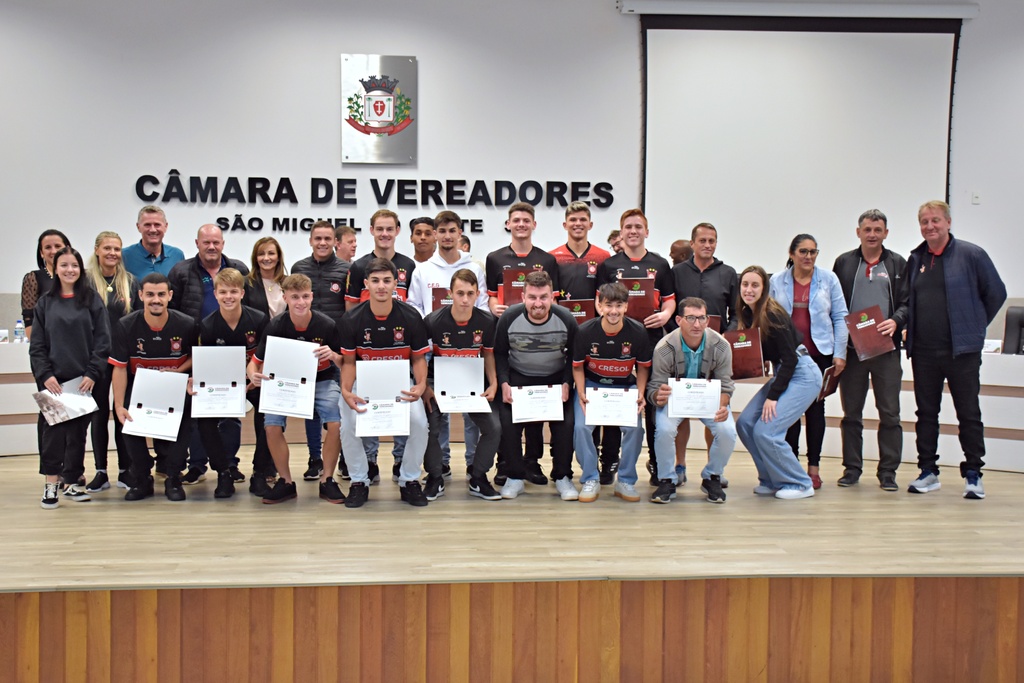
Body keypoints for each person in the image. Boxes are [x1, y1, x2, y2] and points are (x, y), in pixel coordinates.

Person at [905, 200, 1006, 499]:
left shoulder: (972, 254)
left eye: (935, 220)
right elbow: (910, 300)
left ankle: (973, 474)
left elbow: (996, 293)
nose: (930, 226)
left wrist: (974, 325)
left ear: (948, 222)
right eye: (924, 221)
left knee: (969, 413)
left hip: (961, 351)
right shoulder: (916, 258)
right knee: (926, 414)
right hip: (923, 351)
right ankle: (928, 472)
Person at [339, 258, 431, 508]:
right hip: (363, 382)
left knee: (420, 423)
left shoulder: (411, 316)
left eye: (387, 281)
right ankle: (359, 481)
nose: (381, 286)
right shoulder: (351, 319)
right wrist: (346, 392)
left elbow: (419, 357)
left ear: (396, 283)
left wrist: (421, 385)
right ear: (366, 284)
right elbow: (348, 363)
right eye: (376, 281)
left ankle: (409, 480)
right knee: (347, 424)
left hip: (401, 383)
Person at [247, 274, 345, 504]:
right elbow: (255, 362)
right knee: (270, 423)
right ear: (285, 297)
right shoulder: (276, 325)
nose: (300, 302)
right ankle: (286, 481)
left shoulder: (327, 325)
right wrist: (253, 375)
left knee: (336, 422)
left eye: (304, 296)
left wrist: (333, 355)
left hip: (321, 380)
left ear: (312, 296)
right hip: (286, 382)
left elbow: (345, 362)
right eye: (294, 297)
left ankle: (327, 479)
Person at [405, 211, 489, 479]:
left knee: (470, 412)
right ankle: (440, 465)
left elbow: (483, 305)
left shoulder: (474, 268)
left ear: (460, 233)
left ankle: (473, 464)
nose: (447, 236)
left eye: (452, 230)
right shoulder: (423, 269)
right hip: (434, 352)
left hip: (468, 351)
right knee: (436, 413)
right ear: (435, 234)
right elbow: (413, 307)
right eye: (441, 231)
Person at [832, 209, 909, 490]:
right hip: (853, 351)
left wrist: (896, 320)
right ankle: (852, 468)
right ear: (858, 232)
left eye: (878, 230)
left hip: (886, 351)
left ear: (886, 233)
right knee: (851, 413)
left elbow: (907, 302)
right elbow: (834, 301)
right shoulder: (843, 263)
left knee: (890, 413)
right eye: (867, 229)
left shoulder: (898, 263)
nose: (872, 234)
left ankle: (888, 472)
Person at [484, 202, 560, 486]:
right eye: (516, 220)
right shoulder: (494, 258)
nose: (521, 224)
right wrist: (495, 308)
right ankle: (505, 463)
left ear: (534, 225)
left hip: (539, 337)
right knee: (511, 407)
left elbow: (555, 298)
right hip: (507, 333)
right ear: (508, 224)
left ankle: (532, 462)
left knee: (536, 407)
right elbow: (491, 295)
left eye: (526, 220)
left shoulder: (548, 260)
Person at [597, 208, 676, 483]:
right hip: (615, 340)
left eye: (638, 226)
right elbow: (600, 302)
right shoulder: (609, 265)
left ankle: (655, 463)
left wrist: (666, 315)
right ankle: (608, 462)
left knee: (652, 403)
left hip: (651, 338)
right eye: (628, 227)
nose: (633, 231)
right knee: (612, 399)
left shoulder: (660, 264)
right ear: (621, 232)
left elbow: (669, 300)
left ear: (646, 231)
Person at [29, 247, 111, 508]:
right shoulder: (45, 303)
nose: (69, 270)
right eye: (64, 265)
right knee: (53, 436)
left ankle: (73, 482)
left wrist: (92, 373)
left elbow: (102, 341)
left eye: (74, 265)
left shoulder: (92, 300)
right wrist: (45, 376)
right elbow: (38, 345)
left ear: (80, 269)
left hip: (83, 381)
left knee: (77, 435)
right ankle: (50, 486)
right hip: (54, 382)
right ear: (55, 269)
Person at [168, 224, 250, 485]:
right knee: (199, 411)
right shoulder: (181, 271)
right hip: (199, 347)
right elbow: (174, 310)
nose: (211, 247)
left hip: (233, 352)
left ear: (223, 243)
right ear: (197, 243)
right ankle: (197, 465)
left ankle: (229, 464)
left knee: (230, 413)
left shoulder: (239, 269)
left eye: (216, 242)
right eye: (206, 242)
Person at [734, 266, 822, 500]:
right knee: (744, 423)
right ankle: (771, 479)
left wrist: (773, 397)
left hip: (803, 373)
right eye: (745, 284)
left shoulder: (772, 313)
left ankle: (800, 483)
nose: (749, 290)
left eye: (755, 285)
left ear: (764, 289)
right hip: (784, 372)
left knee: (766, 431)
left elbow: (791, 358)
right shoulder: (747, 314)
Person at [769, 234, 848, 489]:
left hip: (821, 354)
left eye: (813, 252)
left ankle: (813, 468)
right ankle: (791, 467)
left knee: (816, 411)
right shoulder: (777, 281)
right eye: (803, 251)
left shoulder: (829, 279)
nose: (809, 257)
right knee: (790, 412)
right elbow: (768, 318)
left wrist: (840, 353)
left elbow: (840, 317)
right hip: (788, 355)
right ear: (792, 254)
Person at [110, 273, 198, 502]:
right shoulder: (126, 325)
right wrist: (118, 405)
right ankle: (142, 478)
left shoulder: (186, 324)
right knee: (126, 418)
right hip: (139, 387)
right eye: (150, 294)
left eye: (161, 294)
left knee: (186, 417)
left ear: (170, 295)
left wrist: (178, 372)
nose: (155, 299)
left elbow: (195, 357)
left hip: (174, 386)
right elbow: (119, 368)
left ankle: (173, 477)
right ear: (140, 295)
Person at [494, 270, 578, 500]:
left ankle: (562, 476)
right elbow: (500, 353)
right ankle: (515, 477)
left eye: (543, 297)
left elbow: (574, 356)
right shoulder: (509, 318)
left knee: (567, 424)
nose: (538, 303)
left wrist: (566, 382)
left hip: (555, 378)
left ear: (552, 297)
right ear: (523, 297)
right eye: (532, 297)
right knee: (508, 423)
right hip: (519, 377)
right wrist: (504, 382)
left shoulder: (566, 318)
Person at [550, 202, 618, 485]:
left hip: (597, 338)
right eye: (573, 220)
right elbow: (551, 297)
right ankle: (563, 459)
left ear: (591, 225)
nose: (578, 224)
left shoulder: (603, 258)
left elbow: (609, 297)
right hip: (564, 338)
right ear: (565, 225)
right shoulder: (553, 258)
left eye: (583, 220)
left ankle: (608, 460)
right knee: (571, 402)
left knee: (607, 395)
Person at [422, 269, 502, 501]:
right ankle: (435, 477)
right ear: (450, 294)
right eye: (459, 293)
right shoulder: (433, 321)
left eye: (470, 293)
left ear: (478, 294)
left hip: (472, 383)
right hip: (437, 382)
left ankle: (478, 478)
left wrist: (494, 383)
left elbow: (488, 355)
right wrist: (425, 386)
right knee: (430, 427)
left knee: (494, 427)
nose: (465, 299)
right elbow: (419, 357)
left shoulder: (487, 321)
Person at [647, 297, 736, 504]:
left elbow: (726, 384)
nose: (697, 324)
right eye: (691, 318)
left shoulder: (721, 346)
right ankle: (666, 479)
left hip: (710, 400)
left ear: (708, 320)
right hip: (675, 400)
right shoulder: (664, 347)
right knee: (664, 430)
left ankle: (712, 476)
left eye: (702, 318)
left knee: (727, 431)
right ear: (678, 320)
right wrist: (657, 396)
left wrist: (723, 405)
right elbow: (654, 386)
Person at [670, 222, 739, 483]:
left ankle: (713, 468)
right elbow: (670, 306)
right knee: (681, 411)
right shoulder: (677, 272)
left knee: (714, 409)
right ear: (693, 243)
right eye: (703, 241)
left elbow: (736, 313)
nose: (707, 245)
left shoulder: (729, 273)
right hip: (681, 351)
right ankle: (680, 465)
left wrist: (726, 339)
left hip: (713, 354)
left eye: (712, 240)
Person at [197, 269, 274, 498]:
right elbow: (210, 365)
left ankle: (260, 473)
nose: (228, 296)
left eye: (233, 291)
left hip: (254, 382)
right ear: (215, 293)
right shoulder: (208, 325)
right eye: (223, 292)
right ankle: (224, 472)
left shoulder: (259, 319)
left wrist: (252, 379)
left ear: (242, 293)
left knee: (268, 415)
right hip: (225, 385)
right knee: (203, 418)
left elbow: (267, 356)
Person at [572, 282, 651, 503]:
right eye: (608, 305)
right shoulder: (585, 331)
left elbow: (643, 367)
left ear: (626, 306)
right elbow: (577, 366)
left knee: (635, 429)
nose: (613, 311)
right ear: (599, 306)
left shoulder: (638, 331)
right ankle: (590, 478)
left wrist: (640, 394)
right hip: (593, 386)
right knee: (580, 427)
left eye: (619, 305)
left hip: (625, 388)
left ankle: (625, 480)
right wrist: (580, 392)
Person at [291, 221, 350, 481]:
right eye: (318, 238)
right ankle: (314, 458)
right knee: (310, 407)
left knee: (340, 406)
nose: (323, 243)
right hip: (306, 347)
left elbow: (351, 308)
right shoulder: (299, 268)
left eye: (328, 238)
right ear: (310, 240)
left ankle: (345, 458)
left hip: (336, 348)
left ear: (335, 241)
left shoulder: (347, 269)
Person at [83, 232, 139, 492]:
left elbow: (137, 320)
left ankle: (126, 470)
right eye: (107, 248)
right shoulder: (85, 282)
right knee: (97, 414)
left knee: (122, 413)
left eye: (116, 249)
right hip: (94, 358)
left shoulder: (130, 282)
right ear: (97, 250)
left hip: (122, 359)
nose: (112, 253)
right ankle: (101, 470)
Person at [22, 229, 71, 340]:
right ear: (41, 253)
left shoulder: (82, 276)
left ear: (67, 249)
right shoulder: (33, 278)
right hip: (48, 347)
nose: (53, 251)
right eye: (48, 247)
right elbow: (29, 319)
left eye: (58, 246)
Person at [121, 206, 185, 280]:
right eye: (147, 225)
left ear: (166, 226)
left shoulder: (177, 255)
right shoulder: (124, 256)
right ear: (138, 227)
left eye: (157, 225)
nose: (153, 230)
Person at [244, 236, 288, 319]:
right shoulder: (245, 283)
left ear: (278, 257)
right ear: (256, 259)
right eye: (261, 254)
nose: (266, 258)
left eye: (271, 253)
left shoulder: (288, 283)